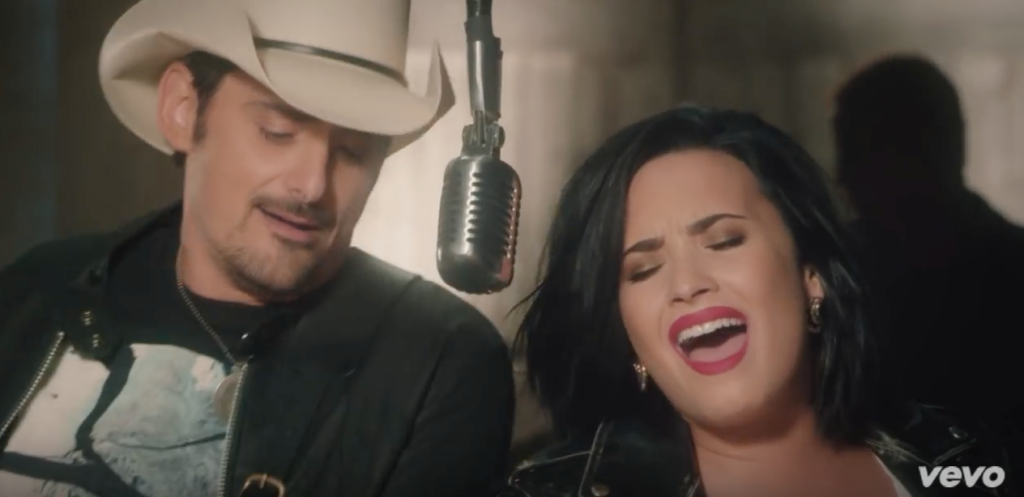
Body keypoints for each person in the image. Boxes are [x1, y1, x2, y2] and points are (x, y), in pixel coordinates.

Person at [0, 0, 515, 496]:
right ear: (182, 109)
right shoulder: (39, 289)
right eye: (278, 132)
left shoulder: (437, 365)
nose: (312, 186)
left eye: (353, 151)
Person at [499, 105, 1014, 497]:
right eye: (644, 269)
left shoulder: (960, 459)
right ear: (627, 334)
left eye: (724, 241)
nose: (687, 283)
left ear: (811, 275)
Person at [834, 54, 1024, 475]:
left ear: (926, 149)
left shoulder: (839, 277)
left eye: (857, 150)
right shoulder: (834, 275)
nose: (842, 175)